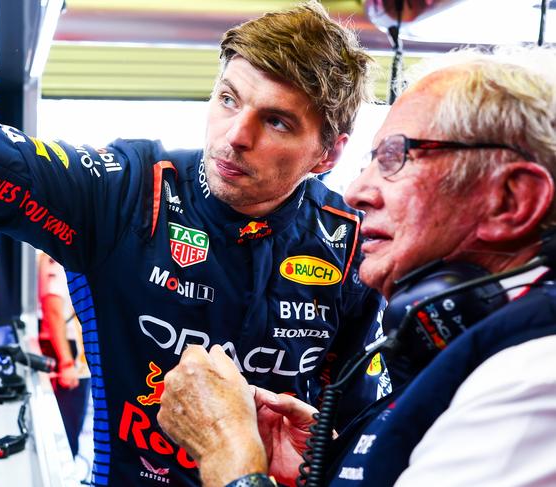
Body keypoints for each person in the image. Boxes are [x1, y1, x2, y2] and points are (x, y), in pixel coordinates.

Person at [0, 2, 388, 485]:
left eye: (277, 121)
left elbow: (367, 430)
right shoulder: (131, 193)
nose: (237, 135)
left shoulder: (352, 243)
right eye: (228, 99)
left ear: (328, 153)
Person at [157, 45, 556, 487]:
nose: (356, 193)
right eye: (369, 162)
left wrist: (228, 454)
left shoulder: (535, 378)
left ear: (511, 200)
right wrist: (330, 466)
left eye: (394, 158)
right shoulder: (484, 348)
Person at [38, 252, 91, 459]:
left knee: (73, 426)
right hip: (67, 358)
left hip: (78, 358)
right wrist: (66, 363)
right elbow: (52, 308)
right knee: (66, 432)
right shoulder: (57, 255)